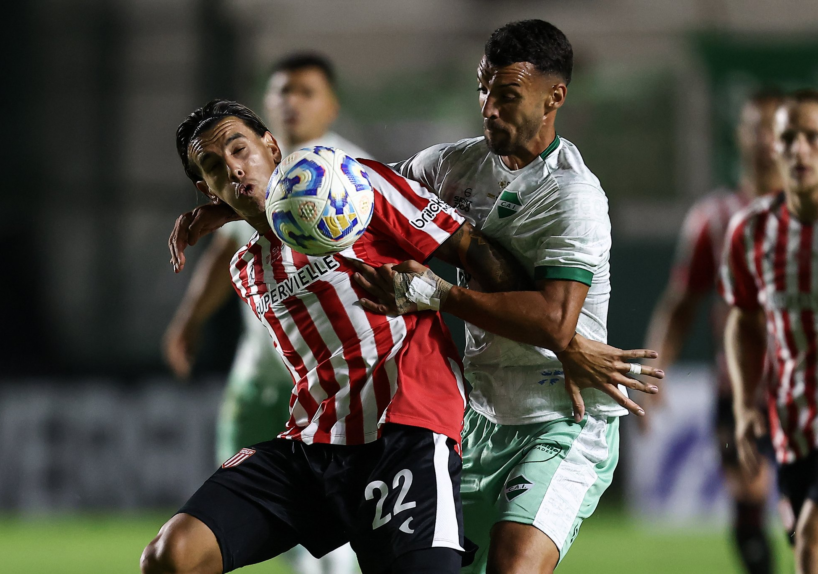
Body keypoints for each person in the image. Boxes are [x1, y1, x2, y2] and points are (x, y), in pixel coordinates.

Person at [147, 99, 658, 574]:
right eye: (214, 167)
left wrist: (564, 341)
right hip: (311, 447)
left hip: (405, 437)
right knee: (172, 555)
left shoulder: (355, 190)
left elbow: (475, 253)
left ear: (272, 146)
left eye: (239, 149)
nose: (234, 168)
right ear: (207, 188)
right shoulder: (246, 268)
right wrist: (235, 211)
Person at [348, 19, 663, 574]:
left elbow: (553, 321)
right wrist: (246, 198)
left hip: (563, 417)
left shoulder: (573, 196)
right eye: (483, 89)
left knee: (514, 566)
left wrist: (438, 294)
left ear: (554, 98)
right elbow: (357, 194)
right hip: (479, 415)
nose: (489, 108)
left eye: (507, 95)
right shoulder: (451, 166)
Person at [162, 54, 368, 574]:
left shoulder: (346, 170)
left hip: (336, 384)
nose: (290, 102)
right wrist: (190, 319)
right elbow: (225, 252)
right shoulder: (241, 172)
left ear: (331, 105)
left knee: (330, 526)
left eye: (305, 91)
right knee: (245, 515)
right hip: (259, 377)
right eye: (281, 92)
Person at [643, 91, 783, 574]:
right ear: (741, 136)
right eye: (755, 127)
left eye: (776, 129)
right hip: (739, 391)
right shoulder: (714, 216)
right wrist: (655, 368)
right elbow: (681, 303)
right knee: (748, 501)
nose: (765, 140)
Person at [722, 90, 818, 574]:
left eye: (813, 137)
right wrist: (743, 405)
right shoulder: (751, 231)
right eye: (789, 138)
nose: (800, 150)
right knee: (801, 537)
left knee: (811, 544)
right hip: (792, 428)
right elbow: (743, 320)